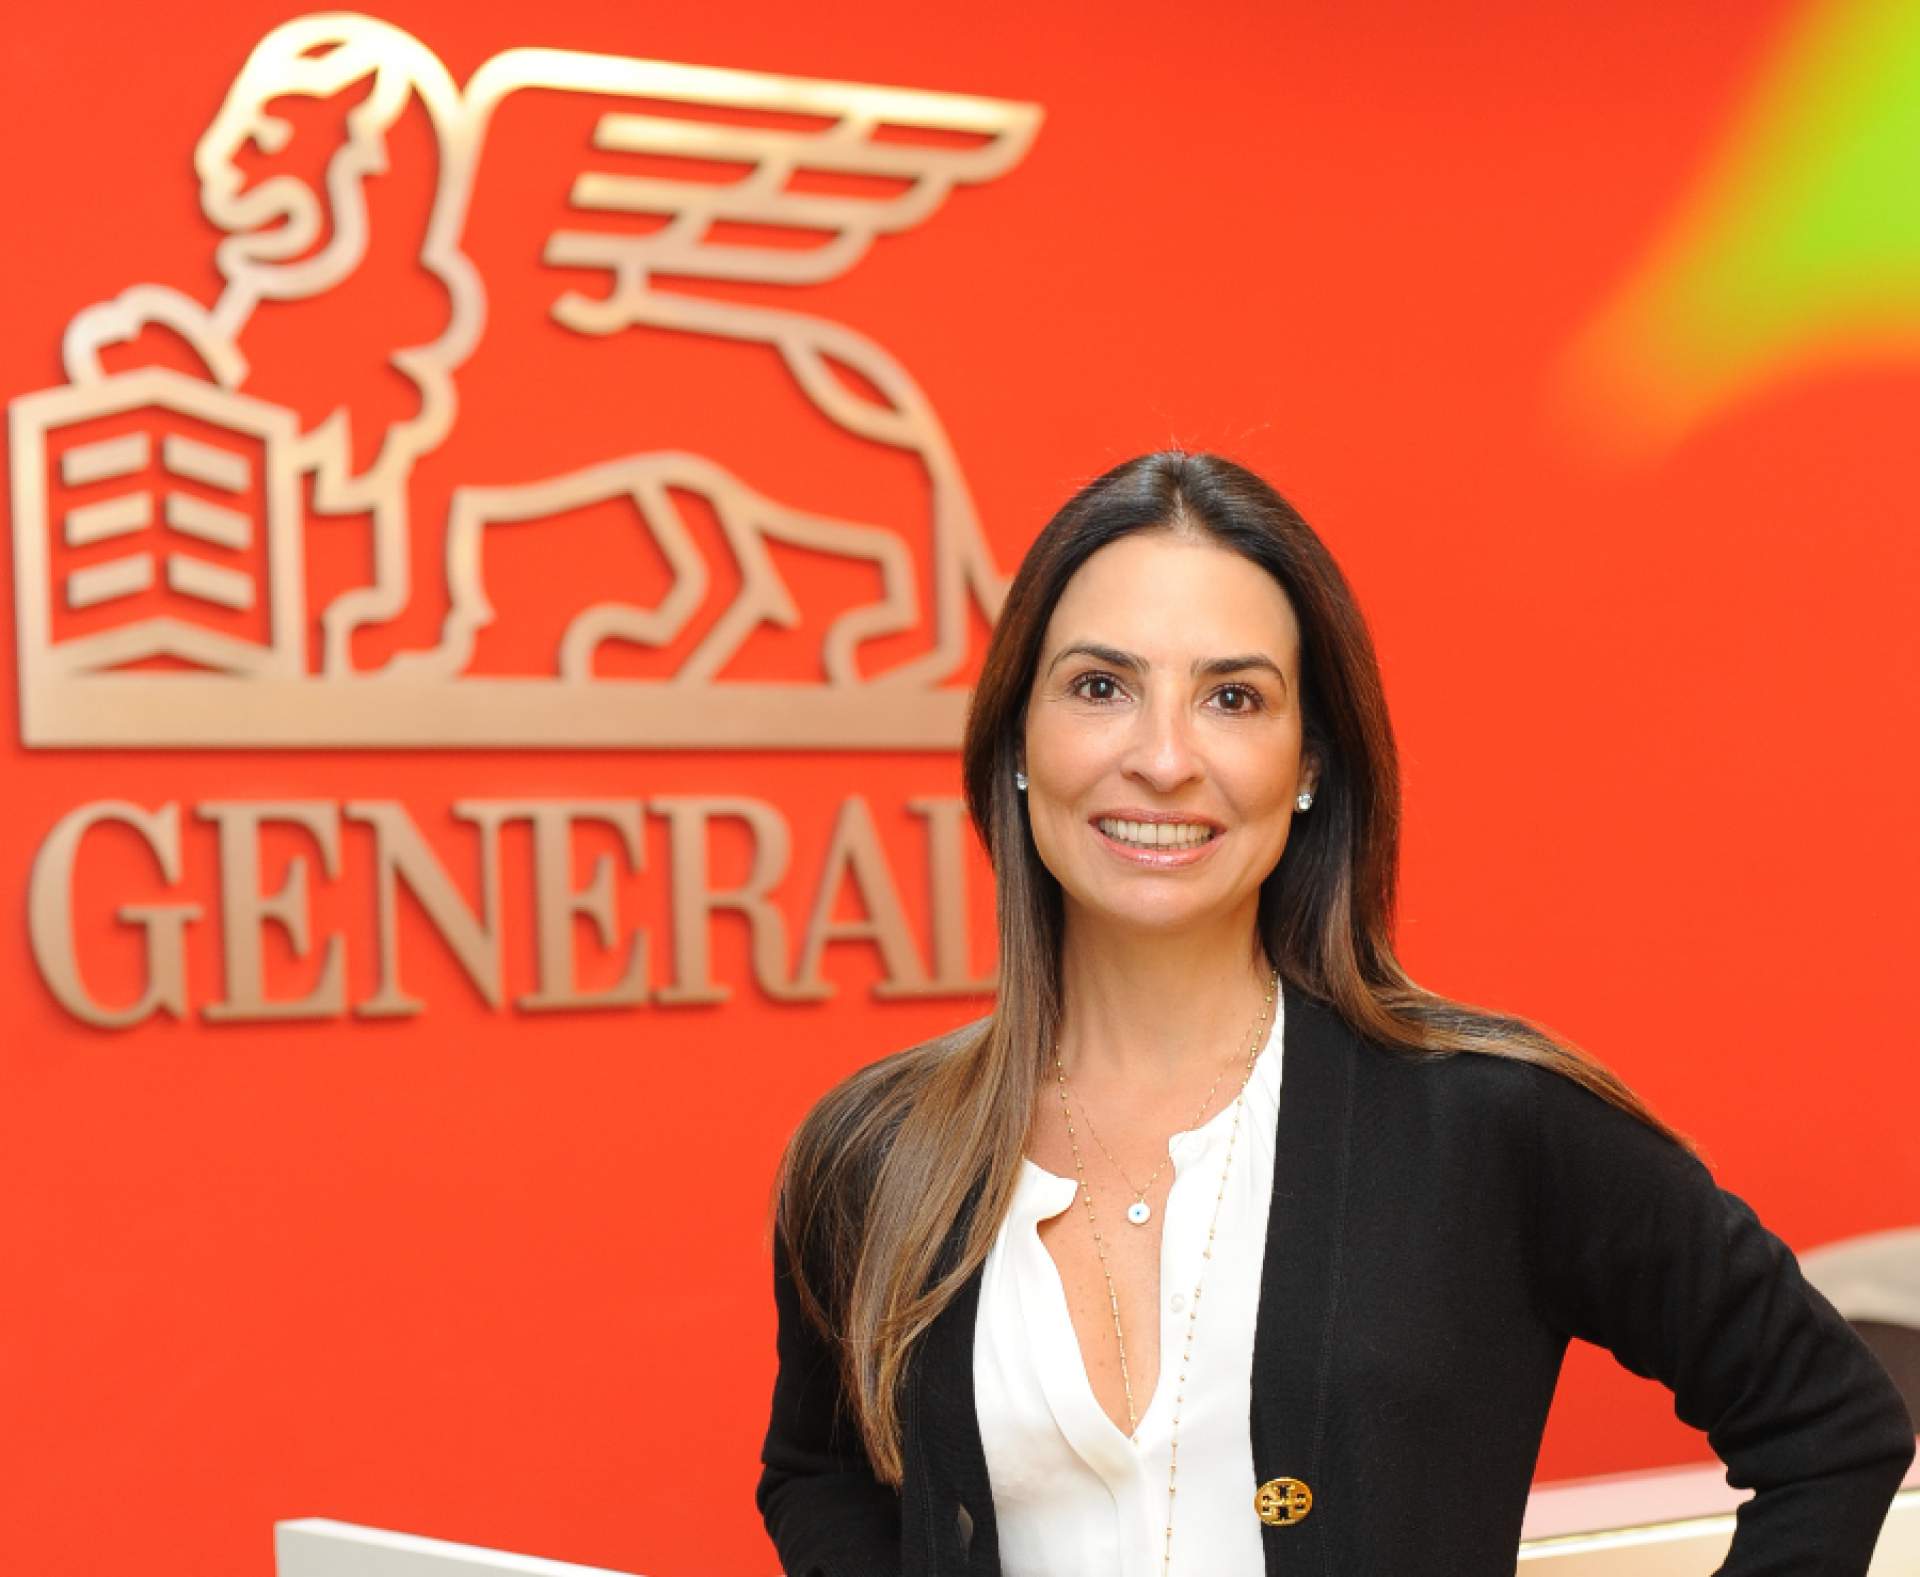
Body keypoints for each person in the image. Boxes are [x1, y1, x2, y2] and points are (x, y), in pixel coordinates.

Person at [755, 450, 1914, 1576]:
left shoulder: (1489, 1122)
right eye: (1101, 686)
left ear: (1309, 762)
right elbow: (818, 1471)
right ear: (1017, 738)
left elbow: (1831, 1424)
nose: (1163, 756)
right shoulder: (877, 1153)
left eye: (1233, 696)